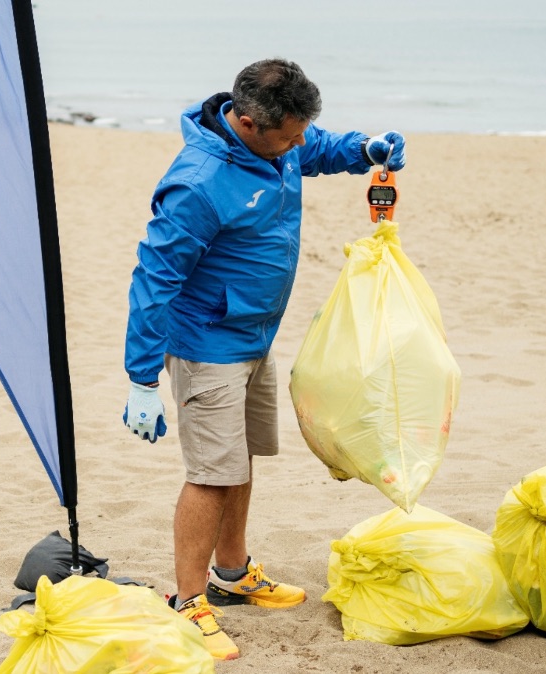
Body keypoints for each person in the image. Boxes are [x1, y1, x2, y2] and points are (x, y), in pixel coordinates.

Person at [122, 58, 406, 660]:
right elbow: (154, 278)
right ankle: (187, 601)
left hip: (254, 337)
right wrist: (141, 379)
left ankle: (232, 571)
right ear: (247, 122)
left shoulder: (281, 142)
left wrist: (365, 148)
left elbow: (319, 147)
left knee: (241, 456)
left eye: (303, 130)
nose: (300, 143)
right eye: (290, 134)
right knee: (210, 474)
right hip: (206, 346)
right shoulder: (198, 183)